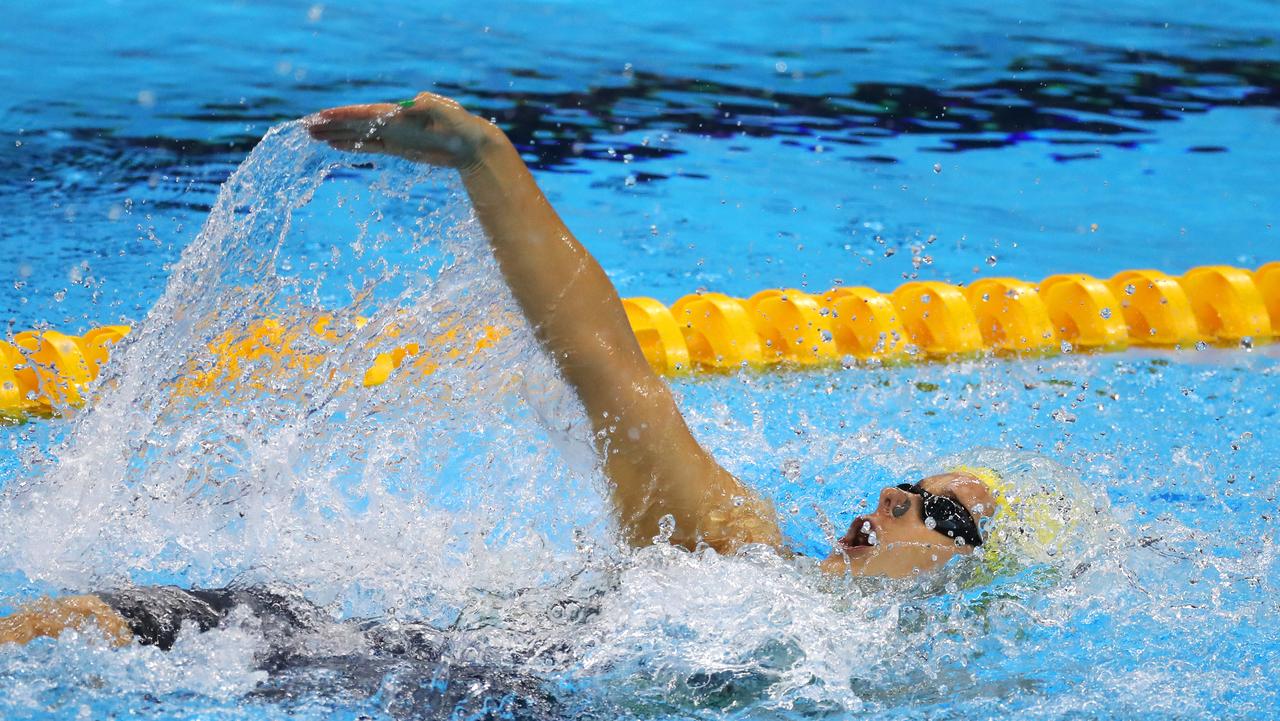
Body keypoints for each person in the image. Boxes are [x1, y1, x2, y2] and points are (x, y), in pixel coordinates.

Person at [0, 91, 998, 650]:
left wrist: (972, 508)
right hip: (410, 669)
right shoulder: (741, 560)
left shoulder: (820, 629)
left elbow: (610, 369)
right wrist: (486, 161)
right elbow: (607, 368)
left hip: (425, 677)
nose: (888, 496)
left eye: (923, 509)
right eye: (901, 489)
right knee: (93, 619)